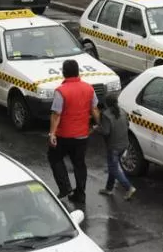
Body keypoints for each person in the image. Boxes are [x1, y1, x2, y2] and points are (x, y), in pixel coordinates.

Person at [48, 59, 99, 205]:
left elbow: (56, 114)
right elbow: (94, 109)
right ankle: (80, 194)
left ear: (64, 73)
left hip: (64, 135)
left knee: (54, 157)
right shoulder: (89, 88)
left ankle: (65, 187)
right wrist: (97, 124)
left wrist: (52, 133)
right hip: (82, 135)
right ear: (78, 72)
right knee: (79, 164)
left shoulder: (61, 91)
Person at [95, 106, 136, 199]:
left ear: (107, 104)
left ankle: (128, 187)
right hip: (124, 144)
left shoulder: (106, 115)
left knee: (113, 168)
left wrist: (97, 128)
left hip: (113, 146)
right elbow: (127, 124)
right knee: (113, 166)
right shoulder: (123, 111)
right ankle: (109, 188)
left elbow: (105, 131)